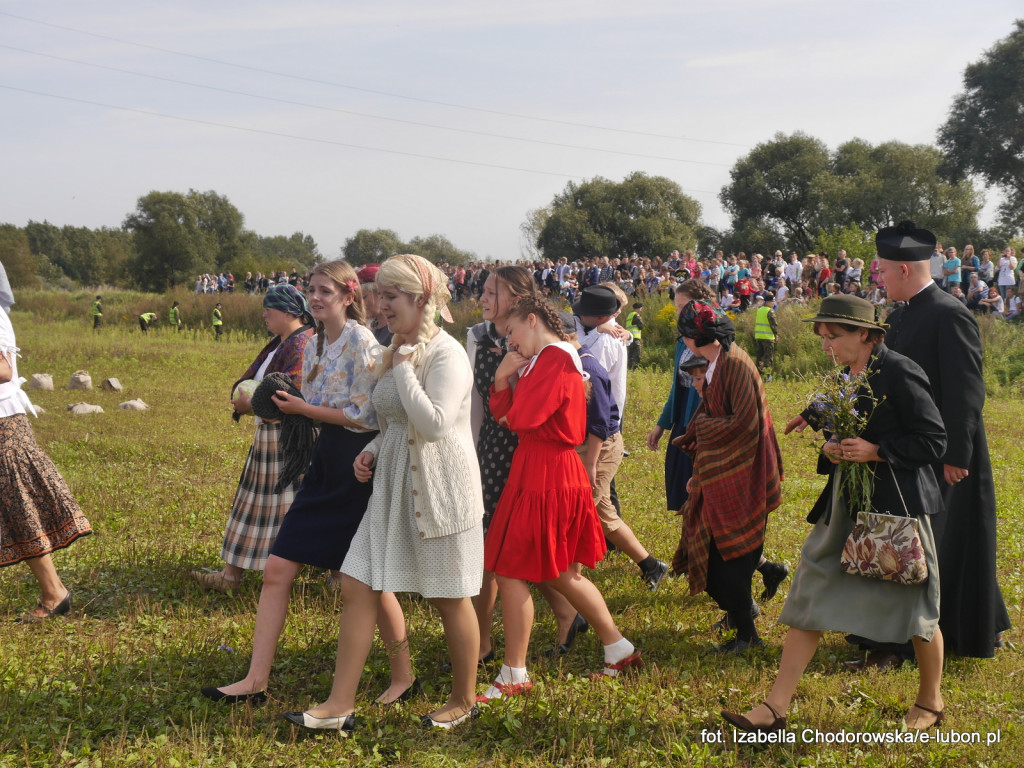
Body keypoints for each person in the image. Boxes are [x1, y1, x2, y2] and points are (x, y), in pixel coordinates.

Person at [722, 294, 947, 733]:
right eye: (822, 336)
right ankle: (774, 709)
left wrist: (878, 452)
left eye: (834, 335)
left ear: (865, 333)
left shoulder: (900, 371)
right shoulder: (847, 373)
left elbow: (934, 440)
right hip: (844, 504)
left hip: (894, 509)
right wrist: (833, 445)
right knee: (810, 589)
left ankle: (931, 700)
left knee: (914, 605)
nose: (826, 344)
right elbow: (844, 425)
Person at [285, 254, 484, 732]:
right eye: (379, 297)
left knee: (449, 597)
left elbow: (435, 424)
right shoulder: (399, 347)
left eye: (391, 297)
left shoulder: (445, 354)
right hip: (391, 487)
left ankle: (463, 699)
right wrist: (371, 449)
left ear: (420, 300)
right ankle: (338, 706)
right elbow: (395, 419)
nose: (381, 306)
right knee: (356, 583)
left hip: (440, 492)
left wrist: (403, 369)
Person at [201, 260, 386, 703]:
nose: (316, 297)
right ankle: (254, 681)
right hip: (322, 458)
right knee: (278, 569)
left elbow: (365, 416)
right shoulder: (317, 340)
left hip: (355, 464)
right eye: (312, 290)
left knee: (368, 582)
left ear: (347, 295)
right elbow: (318, 403)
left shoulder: (363, 341)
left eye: (325, 291)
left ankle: (403, 675)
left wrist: (301, 411)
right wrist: (288, 402)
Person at [481, 295, 642, 702]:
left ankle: (514, 674)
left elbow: (518, 418)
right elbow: (508, 417)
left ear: (532, 320)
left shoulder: (555, 358)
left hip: (547, 473)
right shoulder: (547, 359)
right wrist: (506, 385)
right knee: (555, 572)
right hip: (540, 470)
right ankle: (618, 649)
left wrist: (503, 379)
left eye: (512, 333)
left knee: (512, 569)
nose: (510, 344)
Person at [869, 221, 1011, 661]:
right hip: (910, 447)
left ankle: (926, 639)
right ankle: (903, 635)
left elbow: (967, 389)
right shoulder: (899, 314)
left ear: (906, 271)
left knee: (943, 544)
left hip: (946, 453)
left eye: (884, 272)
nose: (879, 278)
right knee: (917, 542)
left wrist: (956, 456)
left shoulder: (949, 313)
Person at [670, 301, 784, 653]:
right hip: (730, 469)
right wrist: (703, 470)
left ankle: (748, 637)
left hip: (745, 471)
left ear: (698, 338)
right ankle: (740, 617)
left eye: (687, 337)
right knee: (729, 552)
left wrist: (700, 427)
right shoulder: (720, 362)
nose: (685, 343)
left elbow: (746, 425)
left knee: (729, 555)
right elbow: (719, 411)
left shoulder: (733, 365)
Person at [192, 285, 315, 593]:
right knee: (254, 507)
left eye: (268, 309)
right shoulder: (282, 342)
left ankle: (236, 577)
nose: (264, 314)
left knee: (269, 509)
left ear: (288, 312)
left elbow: (294, 394)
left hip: (284, 440)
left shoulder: (301, 344)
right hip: (270, 437)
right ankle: (232, 575)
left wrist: (251, 405)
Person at [0, 264, 92, 621]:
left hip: (5, 424)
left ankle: (54, 593)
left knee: (19, 508)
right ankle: (54, 592)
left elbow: (5, 369)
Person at [465, 265, 537, 666]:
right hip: (492, 448)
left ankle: (570, 617)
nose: (483, 298)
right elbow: (474, 401)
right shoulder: (477, 336)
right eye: (484, 291)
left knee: (525, 547)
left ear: (516, 296)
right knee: (486, 547)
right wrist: (470, 453)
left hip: (527, 446)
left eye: (492, 292)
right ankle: (482, 641)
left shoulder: (540, 334)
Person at [753, 291, 778, 381]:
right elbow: (774, 325)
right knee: (768, 358)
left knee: (759, 357)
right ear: (767, 302)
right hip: (768, 338)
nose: (773, 303)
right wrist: (776, 335)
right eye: (772, 301)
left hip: (759, 337)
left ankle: (757, 375)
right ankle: (768, 377)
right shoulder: (770, 311)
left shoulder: (760, 309)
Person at [623, 302, 645, 369]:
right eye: (641, 308)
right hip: (635, 338)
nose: (641, 310)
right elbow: (641, 325)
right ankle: (635, 369)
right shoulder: (636, 315)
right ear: (638, 308)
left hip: (629, 338)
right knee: (636, 355)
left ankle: (629, 369)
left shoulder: (630, 315)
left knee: (631, 354)